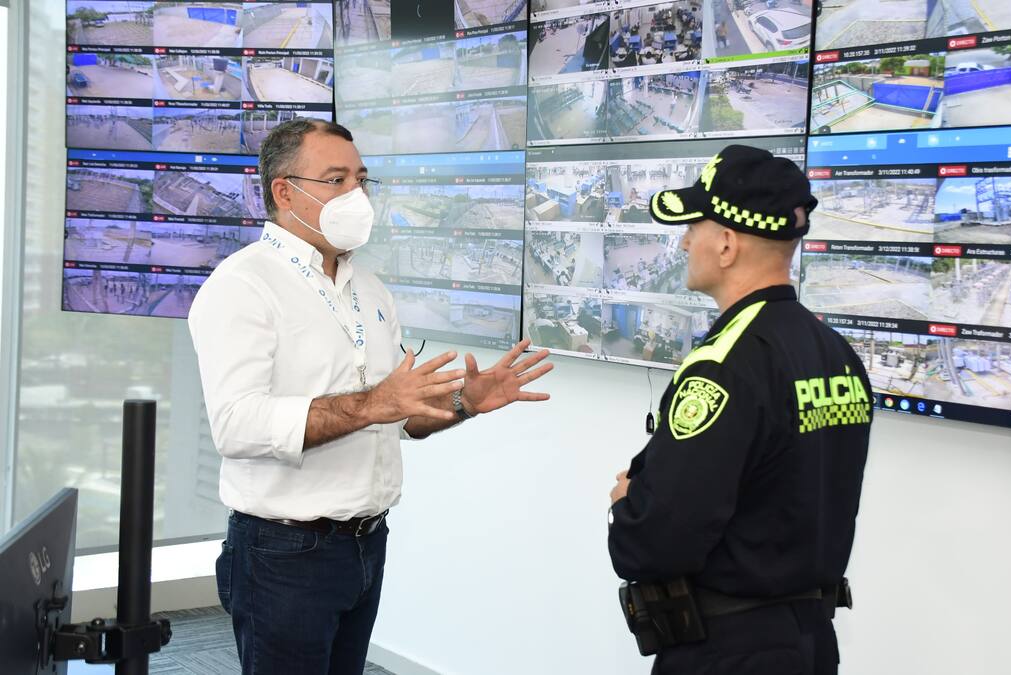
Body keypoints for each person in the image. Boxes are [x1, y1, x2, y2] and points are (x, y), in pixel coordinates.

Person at [188, 118, 554, 674]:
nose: (355, 195)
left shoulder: (370, 289)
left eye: (361, 179)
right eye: (335, 180)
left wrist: (462, 403)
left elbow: (399, 416)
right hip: (283, 552)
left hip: (365, 542)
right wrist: (374, 403)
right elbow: (237, 427)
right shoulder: (242, 286)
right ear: (284, 192)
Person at [607, 145, 873, 674]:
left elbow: (657, 543)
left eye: (694, 227)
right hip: (811, 642)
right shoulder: (835, 353)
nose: (686, 241)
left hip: (730, 651)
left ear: (726, 244)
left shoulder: (723, 366)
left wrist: (627, 505)